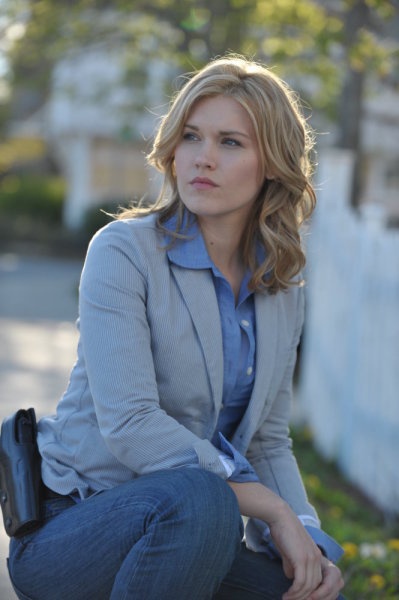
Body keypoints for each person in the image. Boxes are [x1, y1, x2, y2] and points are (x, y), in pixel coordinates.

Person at [7, 55, 345, 600]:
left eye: (230, 142)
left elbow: (266, 439)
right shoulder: (123, 252)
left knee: (312, 593)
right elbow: (131, 424)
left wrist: (304, 535)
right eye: (191, 136)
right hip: (73, 529)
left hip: (190, 536)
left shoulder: (280, 287)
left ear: (273, 165)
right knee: (201, 495)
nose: (202, 158)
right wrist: (267, 507)